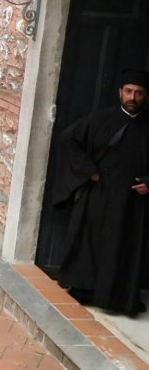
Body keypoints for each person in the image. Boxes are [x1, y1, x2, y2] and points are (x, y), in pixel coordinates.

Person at [55, 70, 149, 316]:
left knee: (123, 248)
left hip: (132, 202)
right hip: (100, 194)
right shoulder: (100, 119)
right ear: (120, 92)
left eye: (138, 93)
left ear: (145, 96)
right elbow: (68, 138)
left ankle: (119, 299)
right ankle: (87, 292)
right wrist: (89, 171)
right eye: (128, 91)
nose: (132, 97)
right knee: (91, 243)